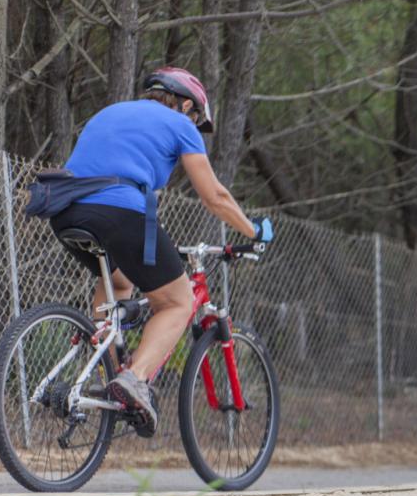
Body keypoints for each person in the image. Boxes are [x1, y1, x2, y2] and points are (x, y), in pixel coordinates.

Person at [49, 67, 272, 437]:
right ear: (185, 103)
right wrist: (253, 229)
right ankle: (134, 379)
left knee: (120, 281)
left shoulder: (113, 112)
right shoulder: (178, 123)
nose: (194, 124)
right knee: (178, 302)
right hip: (118, 210)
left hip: (63, 208)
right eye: (196, 116)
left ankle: (104, 367)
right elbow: (213, 196)